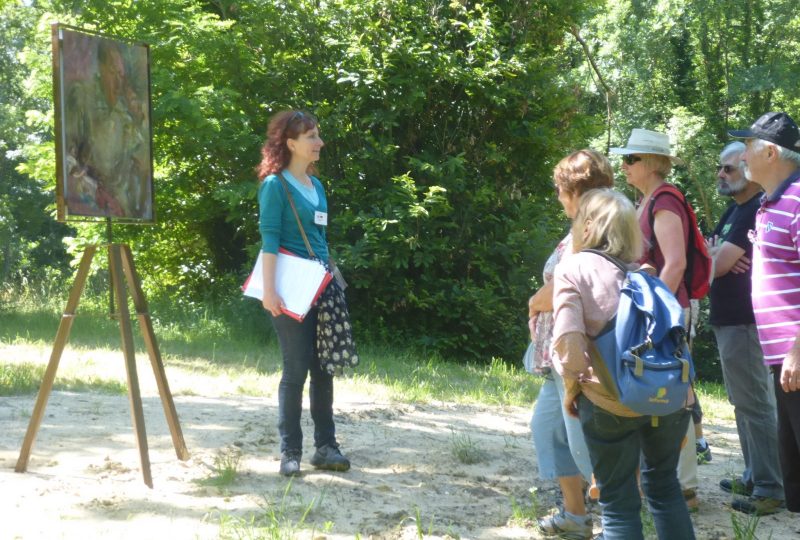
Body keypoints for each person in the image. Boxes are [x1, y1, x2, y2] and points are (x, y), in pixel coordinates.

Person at [552, 188, 696, 540]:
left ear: (587, 226)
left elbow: (568, 341)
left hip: (609, 401)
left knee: (617, 503)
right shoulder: (646, 274)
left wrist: (573, 390)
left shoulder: (573, 267)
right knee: (664, 489)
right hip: (667, 398)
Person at [256, 110, 351, 477]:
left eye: (318, 134)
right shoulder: (274, 186)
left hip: (321, 287)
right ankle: (290, 452)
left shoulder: (317, 186)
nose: (319, 142)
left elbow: (321, 239)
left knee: (323, 369)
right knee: (295, 369)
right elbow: (270, 241)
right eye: (311, 136)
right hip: (288, 290)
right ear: (291, 144)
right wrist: (270, 292)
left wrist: (331, 284)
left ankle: (326, 447)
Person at [610, 128, 701, 509]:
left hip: (667, 312)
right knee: (661, 389)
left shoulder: (664, 200)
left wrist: (655, 315)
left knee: (671, 389)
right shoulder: (648, 199)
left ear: (649, 164)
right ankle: (673, 484)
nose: (624, 166)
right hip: (663, 310)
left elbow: (676, 262)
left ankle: (683, 487)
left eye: (630, 159)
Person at [528, 150, 612, 539]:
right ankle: (576, 516)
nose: (559, 198)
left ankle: (617, 520)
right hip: (556, 355)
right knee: (548, 429)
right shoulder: (582, 225)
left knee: (586, 444)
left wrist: (533, 302)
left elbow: (565, 286)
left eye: (562, 190)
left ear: (575, 191)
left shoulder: (594, 227)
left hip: (578, 355)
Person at [706, 141, 784, 514]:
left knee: (755, 403)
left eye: (730, 169)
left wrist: (715, 258)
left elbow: (717, 265)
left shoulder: (756, 209)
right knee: (741, 402)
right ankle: (755, 474)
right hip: (729, 319)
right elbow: (711, 257)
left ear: (749, 171)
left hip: (747, 322)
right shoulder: (734, 211)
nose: (721, 175)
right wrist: (713, 256)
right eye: (720, 168)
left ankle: (772, 486)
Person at [729, 111, 800, 513]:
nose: (742, 157)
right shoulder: (771, 201)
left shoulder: (799, 199)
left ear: (771, 152)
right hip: (783, 360)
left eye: (748, 147)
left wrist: (797, 349)